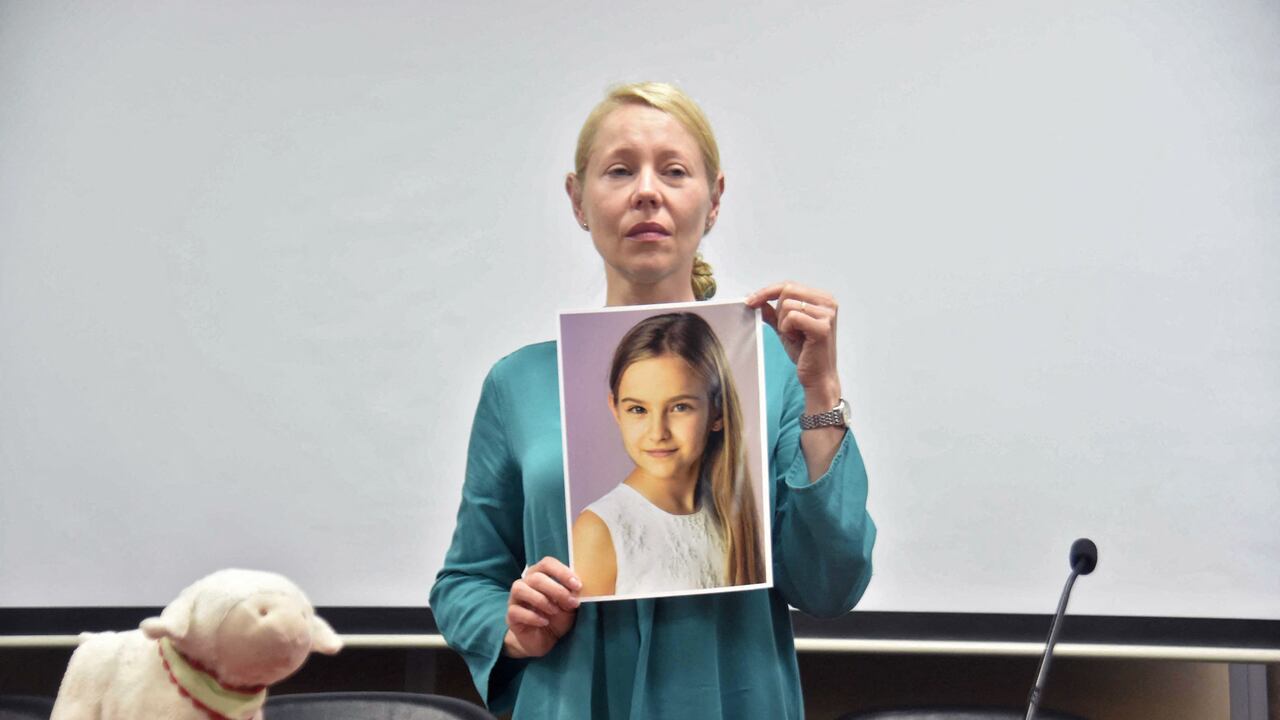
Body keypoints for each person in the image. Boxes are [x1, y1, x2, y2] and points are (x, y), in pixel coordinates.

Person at [430, 81, 876, 719]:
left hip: (733, 699)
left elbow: (831, 585)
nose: (647, 191)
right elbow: (464, 582)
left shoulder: (773, 369)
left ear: (713, 200)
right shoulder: (518, 383)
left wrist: (821, 393)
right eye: (619, 170)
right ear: (578, 200)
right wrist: (508, 620)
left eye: (673, 170)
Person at [572, 311, 764, 598]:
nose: (657, 432)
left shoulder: (732, 518)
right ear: (616, 410)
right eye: (638, 409)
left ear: (717, 411)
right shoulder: (599, 530)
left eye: (679, 407)